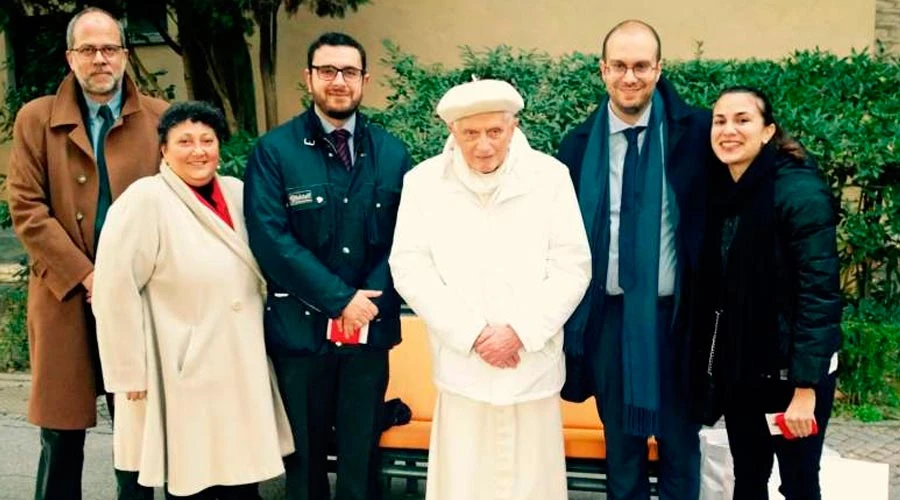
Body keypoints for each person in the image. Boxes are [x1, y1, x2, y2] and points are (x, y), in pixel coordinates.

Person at [389, 78, 592, 500]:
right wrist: (473, 334)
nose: (483, 145)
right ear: (452, 131)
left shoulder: (550, 178)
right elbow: (409, 267)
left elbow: (572, 266)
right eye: (471, 133)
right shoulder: (423, 183)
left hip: (530, 364)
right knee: (464, 484)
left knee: (533, 485)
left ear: (513, 126)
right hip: (464, 368)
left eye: (495, 131)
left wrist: (519, 331)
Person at [91, 101, 294, 499]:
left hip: (241, 361)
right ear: (163, 150)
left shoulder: (238, 192)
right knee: (192, 478)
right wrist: (128, 371)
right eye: (184, 142)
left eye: (207, 140)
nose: (198, 151)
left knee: (243, 478)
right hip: (183, 364)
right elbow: (114, 290)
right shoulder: (145, 200)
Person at [6, 7, 168, 499]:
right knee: (61, 430)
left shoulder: (159, 118)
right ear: (70, 57)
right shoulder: (36, 118)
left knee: (137, 427)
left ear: (125, 54)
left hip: (139, 296)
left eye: (110, 48)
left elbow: (175, 206)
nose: (100, 59)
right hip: (64, 291)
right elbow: (27, 208)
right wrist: (89, 276)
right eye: (88, 49)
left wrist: (125, 281)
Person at [243, 32, 412, 500]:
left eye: (349, 72)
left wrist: (364, 303)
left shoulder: (392, 153)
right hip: (301, 335)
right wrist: (340, 300)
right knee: (304, 466)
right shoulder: (275, 151)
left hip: (369, 334)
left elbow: (408, 239)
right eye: (327, 71)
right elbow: (270, 239)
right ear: (309, 78)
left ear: (365, 80)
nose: (339, 81)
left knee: (361, 462)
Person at [556, 19, 714, 500]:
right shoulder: (577, 145)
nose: (630, 77)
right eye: (620, 66)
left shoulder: (696, 133)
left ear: (659, 68)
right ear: (603, 70)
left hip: (677, 320)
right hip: (607, 321)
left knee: (680, 449)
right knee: (621, 455)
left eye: (641, 66)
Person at [695, 86, 840, 500]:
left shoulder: (799, 193)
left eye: (743, 120)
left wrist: (805, 389)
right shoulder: (723, 192)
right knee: (747, 478)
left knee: (798, 484)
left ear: (767, 131)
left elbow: (819, 296)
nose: (729, 130)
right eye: (720, 121)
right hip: (741, 370)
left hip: (790, 377)